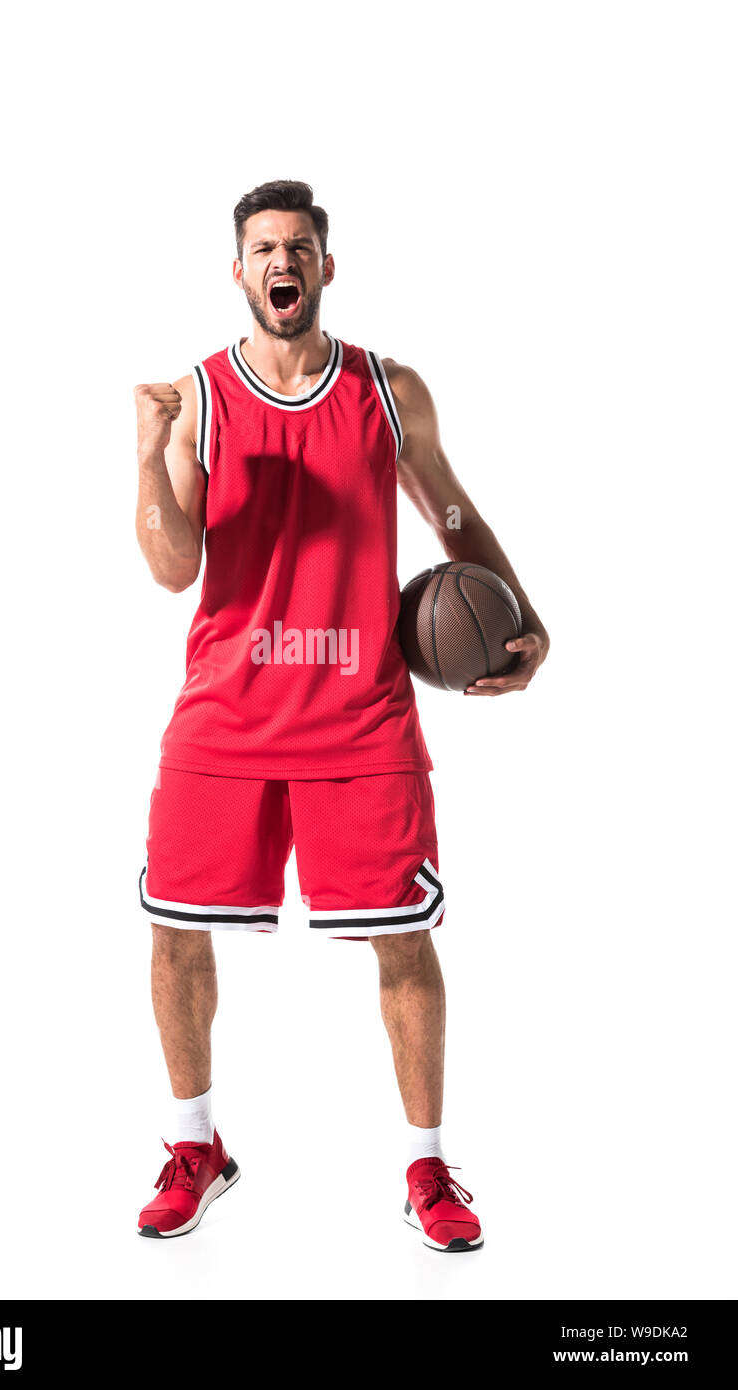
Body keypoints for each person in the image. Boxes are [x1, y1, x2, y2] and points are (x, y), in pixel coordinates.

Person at [132, 180, 549, 1249]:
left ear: (325, 266)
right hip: (225, 713)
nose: (284, 262)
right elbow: (175, 569)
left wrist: (523, 621)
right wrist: (148, 462)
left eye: (301, 247)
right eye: (264, 248)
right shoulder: (201, 399)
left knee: (404, 946)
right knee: (176, 931)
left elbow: (451, 507)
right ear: (240, 272)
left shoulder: (389, 388)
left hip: (361, 715)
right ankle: (195, 1144)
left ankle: (427, 1163)